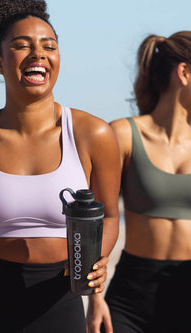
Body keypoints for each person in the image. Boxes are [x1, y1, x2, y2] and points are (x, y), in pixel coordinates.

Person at [0, 0, 120, 332]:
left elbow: (110, 216)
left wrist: (96, 259)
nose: (38, 54)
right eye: (21, 45)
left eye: (49, 46)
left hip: (58, 298)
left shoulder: (94, 134)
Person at [106, 31, 191, 333]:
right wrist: (92, 296)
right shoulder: (123, 135)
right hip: (131, 297)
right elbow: (96, 219)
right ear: (184, 73)